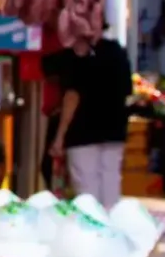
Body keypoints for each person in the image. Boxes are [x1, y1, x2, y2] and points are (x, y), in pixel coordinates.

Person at [48, 28, 133, 209]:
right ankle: (110, 229)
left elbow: (72, 97)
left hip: (83, 132)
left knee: (87, 192)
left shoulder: (74, 57)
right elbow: (127, 90)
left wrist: (59, 137)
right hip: (114, 130)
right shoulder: (116, 51)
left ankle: (92, 231)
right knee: (111, 184)